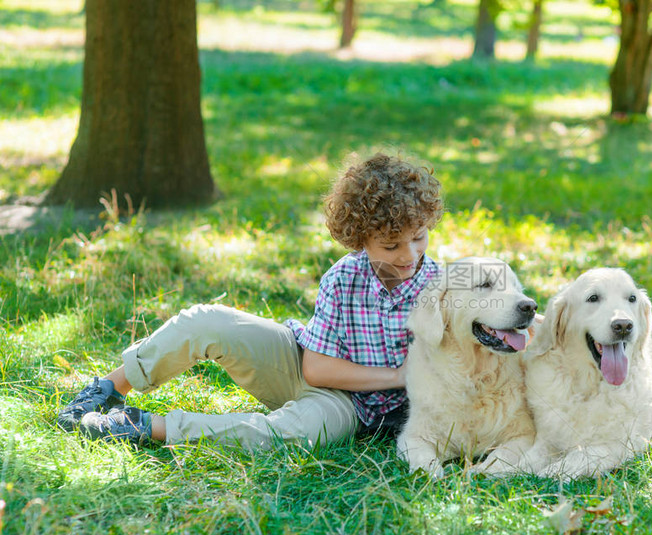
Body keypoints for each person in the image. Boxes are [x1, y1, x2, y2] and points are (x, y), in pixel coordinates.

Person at [57, 152, 444, 450]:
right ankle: (104, 392)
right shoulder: (344, 277)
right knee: (206, 320)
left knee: (294, 432)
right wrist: (397, 375)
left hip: (352, 409)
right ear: (360, 240)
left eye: (419, 237)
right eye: (390, 245)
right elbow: (316, 370)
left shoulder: (445, 290)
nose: (409, 255)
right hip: (300, 362)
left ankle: (140, 426)